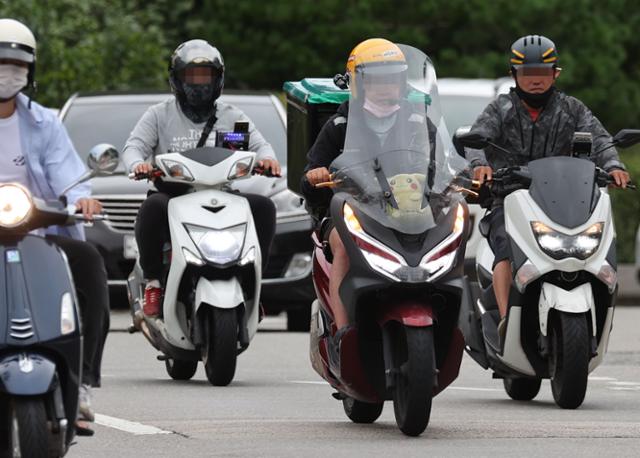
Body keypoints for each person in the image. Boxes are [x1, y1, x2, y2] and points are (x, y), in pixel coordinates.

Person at [466, 34, 630, 340]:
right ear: (514, 74)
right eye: (528, 73)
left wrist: (614, 166)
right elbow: (477, 140)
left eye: (543, 73)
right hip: (511, 199)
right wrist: (479, 165)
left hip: (565, 201)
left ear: (556, 73)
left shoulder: (572, 109)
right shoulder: (500, 109)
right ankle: (504, 320)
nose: (536, 81)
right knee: (504, 248)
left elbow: (602, 140)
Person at [0, 18, 110, 435]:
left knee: (90, 264)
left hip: (39, 236)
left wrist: (82, 198)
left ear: (30, 71)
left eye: (15, 63)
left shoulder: (45, 122)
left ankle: (81, 382)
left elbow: (70, 176)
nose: (7, 71)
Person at [122, 39, 280, 317]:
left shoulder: (233, 116)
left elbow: (260, 146)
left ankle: (254, 283)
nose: (199, 83)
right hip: (174, 196)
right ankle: (154, 281)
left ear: (218, 79)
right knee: (151, 208)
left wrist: (268, 160)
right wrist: (138, 165)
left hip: (223, 194)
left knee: (263, 207)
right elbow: (134, 147)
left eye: (206, 75)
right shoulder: (158, 114)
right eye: (191, 76)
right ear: (176, 79)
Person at [301, 38, 428, 364]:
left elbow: (440, 165)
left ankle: (439, 310)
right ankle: (344, 331)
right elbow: (310, 172)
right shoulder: (340, 124)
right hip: (350, 212)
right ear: (359, 82)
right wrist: (316, 174)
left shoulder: (416, 121)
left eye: (393, 78)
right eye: (377, 79)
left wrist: (458, 175)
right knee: (343, 246)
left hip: (405, 211)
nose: (386, 86)